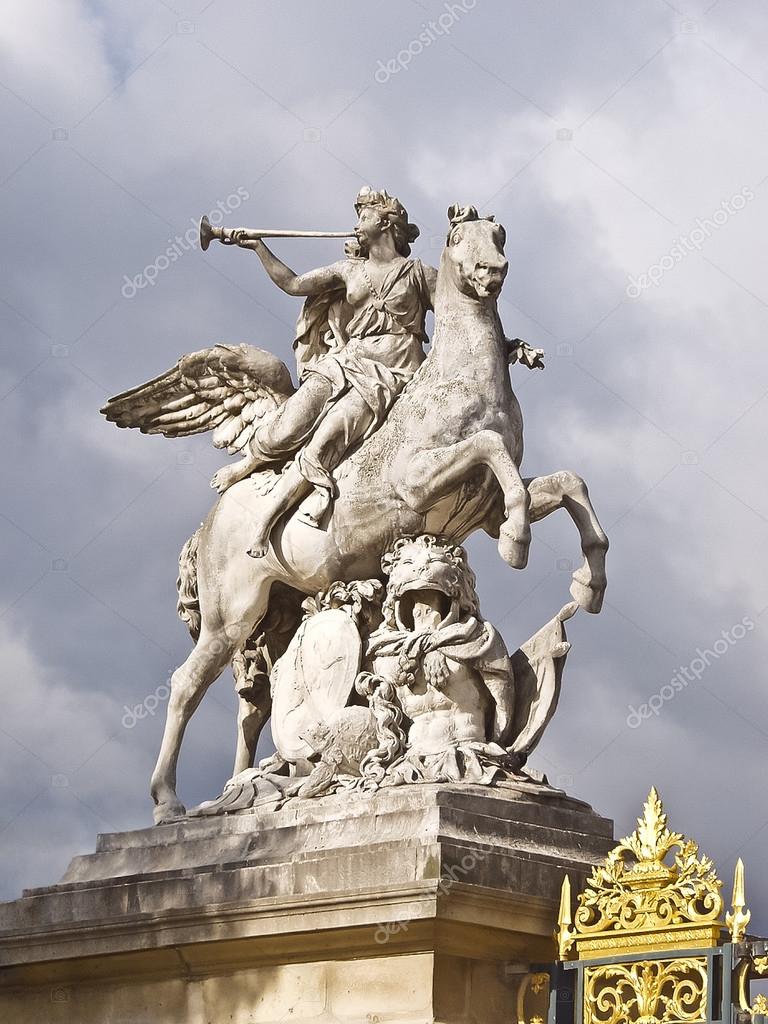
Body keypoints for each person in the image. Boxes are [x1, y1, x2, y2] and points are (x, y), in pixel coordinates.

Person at [223, 187, 437, 558]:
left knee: (328, 434)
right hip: (346, 362)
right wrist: (259, 247)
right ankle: (254, 460)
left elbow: (458, 317)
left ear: (383, 222)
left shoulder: (420, 273)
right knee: (291, 423)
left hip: (393, 372)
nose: (355, 226)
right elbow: (293, 284)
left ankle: (269, 521)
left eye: (362, 216)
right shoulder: (348, 270)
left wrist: (508, 345)